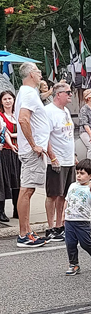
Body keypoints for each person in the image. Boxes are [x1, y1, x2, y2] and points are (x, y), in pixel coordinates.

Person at [15, 62, 50, 247]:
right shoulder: (28, 93)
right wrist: (34, 144)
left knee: (28, 189)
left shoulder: (27, 92)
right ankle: (23, 234)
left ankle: (27, 230)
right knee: (27, 190)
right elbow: (23, 119)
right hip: (31, 151)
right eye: (37, 71)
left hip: (31, 150)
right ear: (30, 74)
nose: (40, 75)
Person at [44, 82, 77, 242]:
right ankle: (50, 227)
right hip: (56, 160)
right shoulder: (48, 111)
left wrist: (74, 155)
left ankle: (59, 225)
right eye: (68, 92)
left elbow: (68, 135)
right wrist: (52, 157)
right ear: (58, 94)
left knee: (64, 194)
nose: (71, 94)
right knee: (53, 194)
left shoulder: (66, 111)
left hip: (69, 158)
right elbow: (46, 137)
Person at [64, 159, 91, 275]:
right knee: (70, 243)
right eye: (77, 173)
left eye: (82, 174)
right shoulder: (72, 186)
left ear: (90, 176)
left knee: (85, 243)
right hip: (70, 220)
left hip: (82, 221)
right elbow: (66, 200)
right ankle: (73, 264)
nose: (78, 176)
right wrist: (63, 215)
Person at [0, 90, 21, 221]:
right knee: (3, 181)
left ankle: (17, 209)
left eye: (10, 98)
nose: (8, 101)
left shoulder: (17, 114)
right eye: (5, 99)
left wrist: (15, 135)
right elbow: (4, 132)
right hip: (5, 152)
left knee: (17, 180)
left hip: (18, 152)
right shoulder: (1, 116)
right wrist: (13, 137)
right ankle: (1, 210)